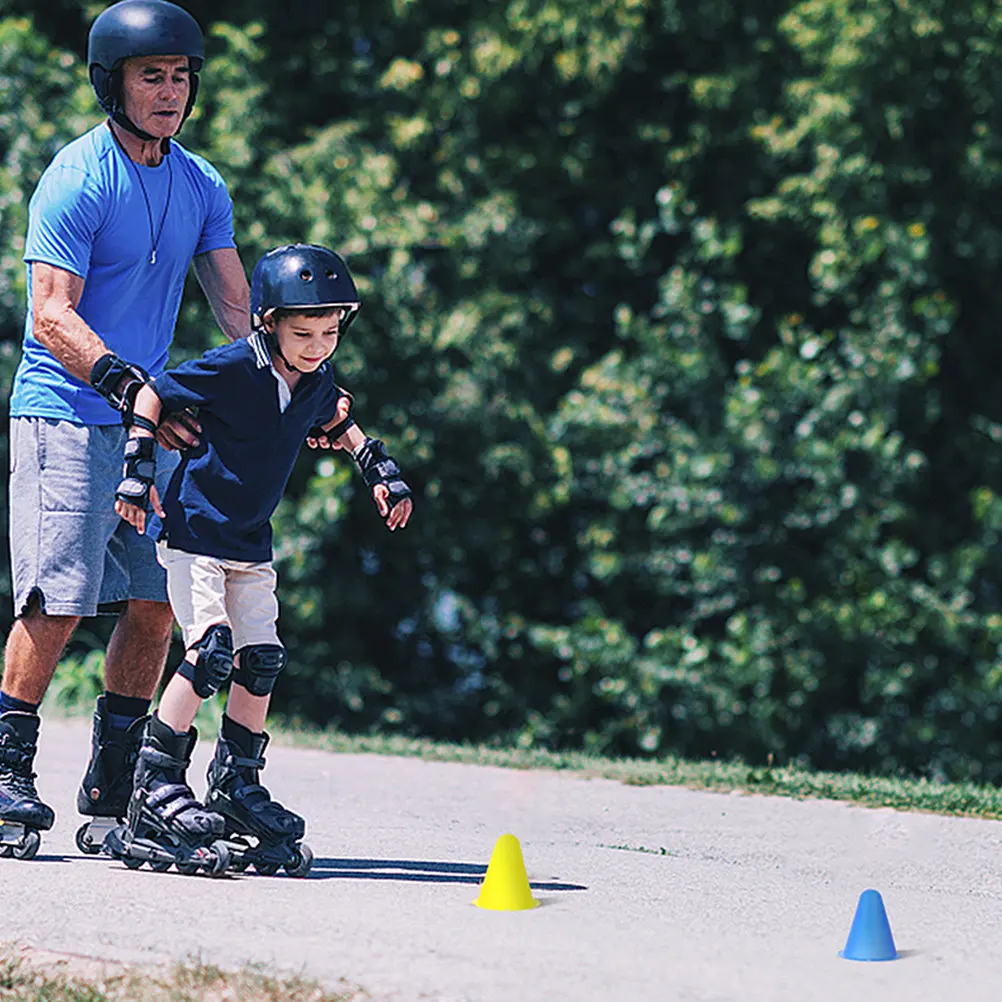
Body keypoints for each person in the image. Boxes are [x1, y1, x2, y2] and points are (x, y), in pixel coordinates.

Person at [0, 0, 251, 861]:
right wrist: (129, 385)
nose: (170, 92)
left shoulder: (201, 183)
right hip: (66, 414)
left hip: (149, 424)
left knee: (157, 603)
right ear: (113, 84)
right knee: (58, 600)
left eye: (181, 77)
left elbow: (234, 307)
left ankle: (115, 789)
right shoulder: (77, 176)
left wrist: (293, 384)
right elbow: (50, 315)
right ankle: (6, 774)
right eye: (152, 77)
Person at [102, 242, 414, 876]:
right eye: (303, 333)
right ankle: (153, 786)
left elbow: (339, 418)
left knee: (261, 659)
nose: (318, 346)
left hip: (250, 542)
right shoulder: (233, 367)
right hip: (196, 533)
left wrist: (378, 469)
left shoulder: (315, 379)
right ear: (268, 322)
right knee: (210, 651)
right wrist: (136, 471)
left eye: (330, 332)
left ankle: (236, 783)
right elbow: (151, 395)